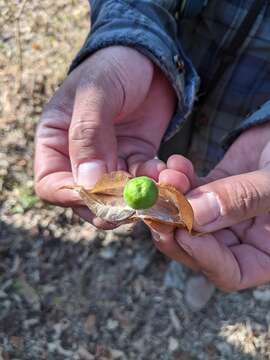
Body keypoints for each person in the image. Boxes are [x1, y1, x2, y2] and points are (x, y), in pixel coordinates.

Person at [34, 0, 270, 293]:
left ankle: (192, 268)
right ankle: (151, 238)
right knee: (167, 173)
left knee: (208, 225)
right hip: (168, 96)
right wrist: (129, 39)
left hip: (246, 125)